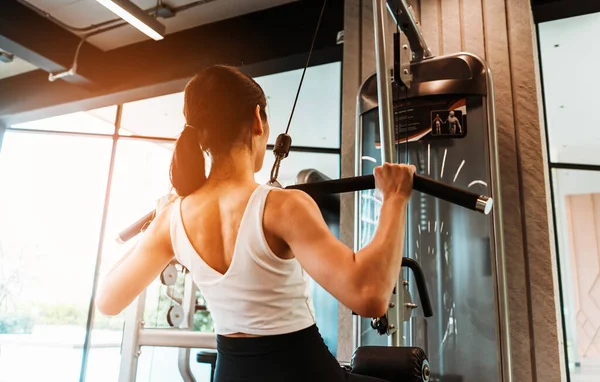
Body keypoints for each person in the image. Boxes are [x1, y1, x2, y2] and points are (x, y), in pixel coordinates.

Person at [96, 65, 415, 382]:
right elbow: (369, 295)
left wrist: (156, 227)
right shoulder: (283, 206)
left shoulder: (171, 220)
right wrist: (394, 199)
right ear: (257, 121)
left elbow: (108, 301)